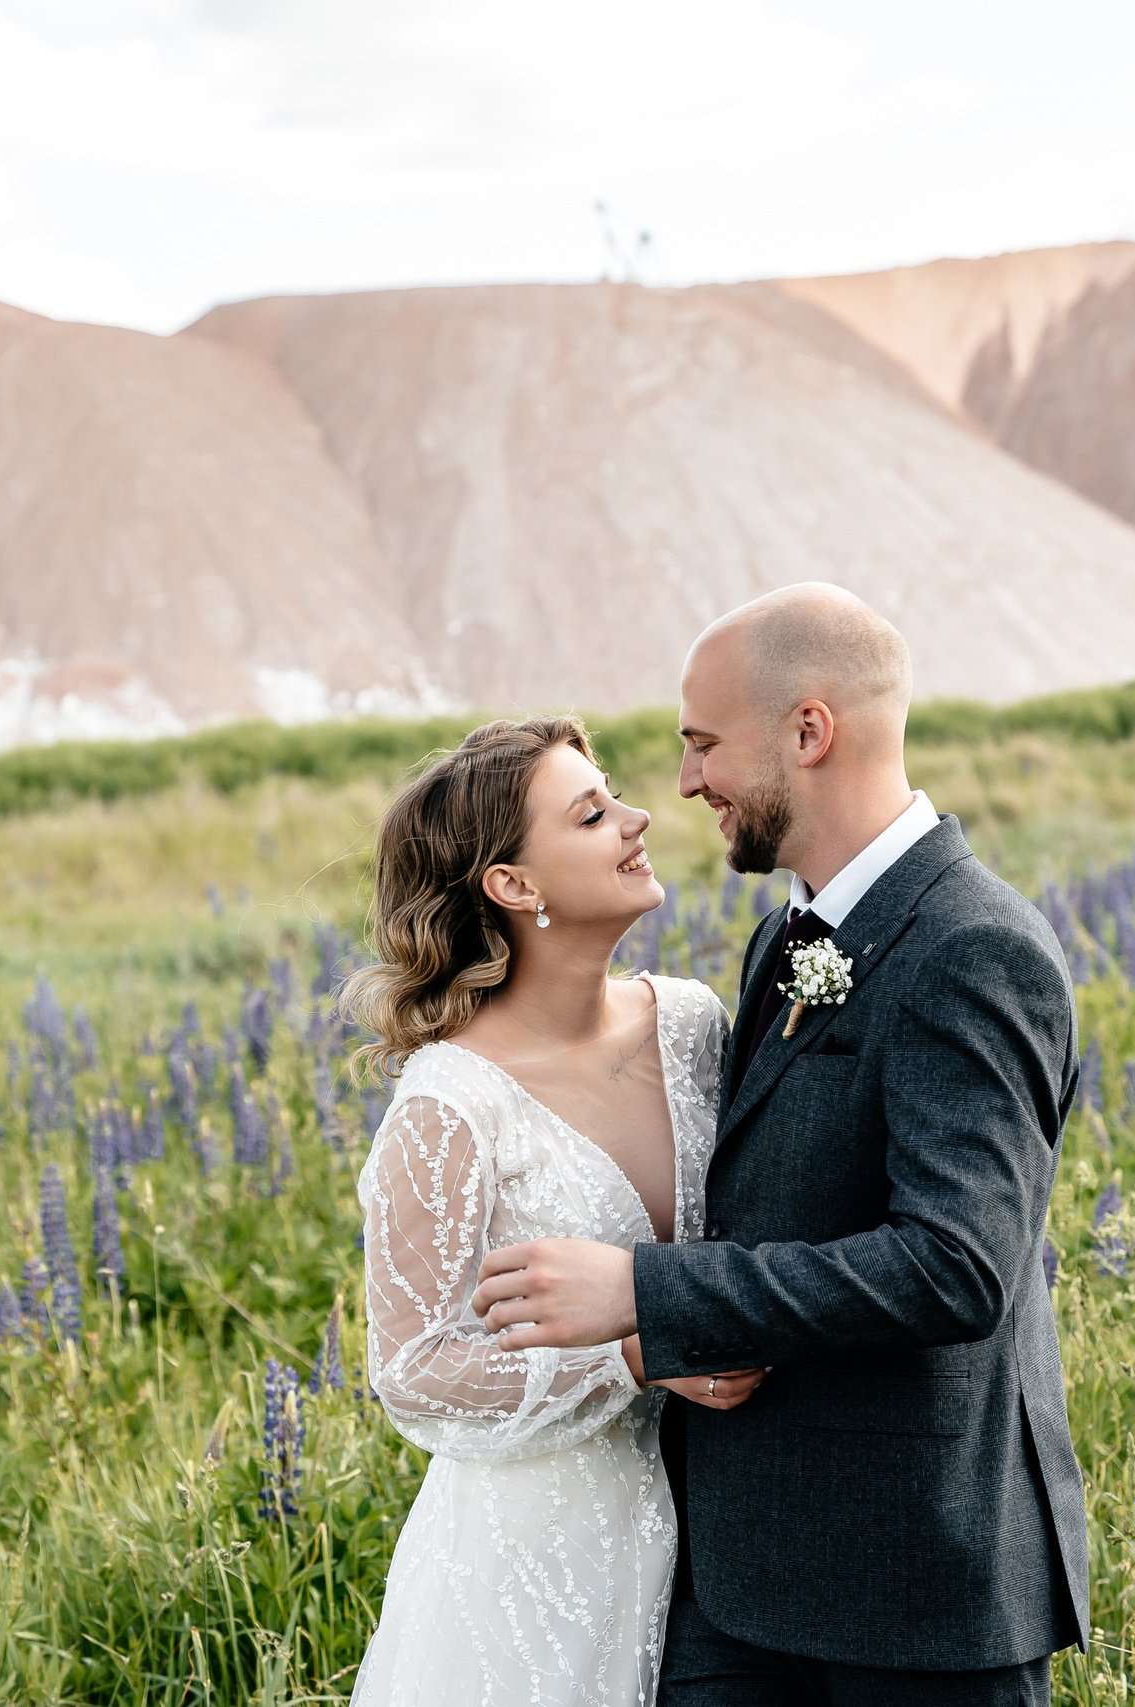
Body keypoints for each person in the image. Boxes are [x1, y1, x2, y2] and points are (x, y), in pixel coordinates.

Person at [467, 584, 1089, 1705]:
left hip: (913, 1590)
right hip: (740, 1582)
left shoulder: (973, 946)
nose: (685, 781)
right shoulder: (782, 938)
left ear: (808, 731)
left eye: (704, 744)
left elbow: (958, 1266)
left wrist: (644, 1290)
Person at [343, 714, 754, 1707]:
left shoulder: (692, 1024)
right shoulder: (450, 1104)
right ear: (514, 884)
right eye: (592, 814)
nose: (638, 817)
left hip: (722, 1540)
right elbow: (413, 1374)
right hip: (531, 1570)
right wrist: (630, 1358)